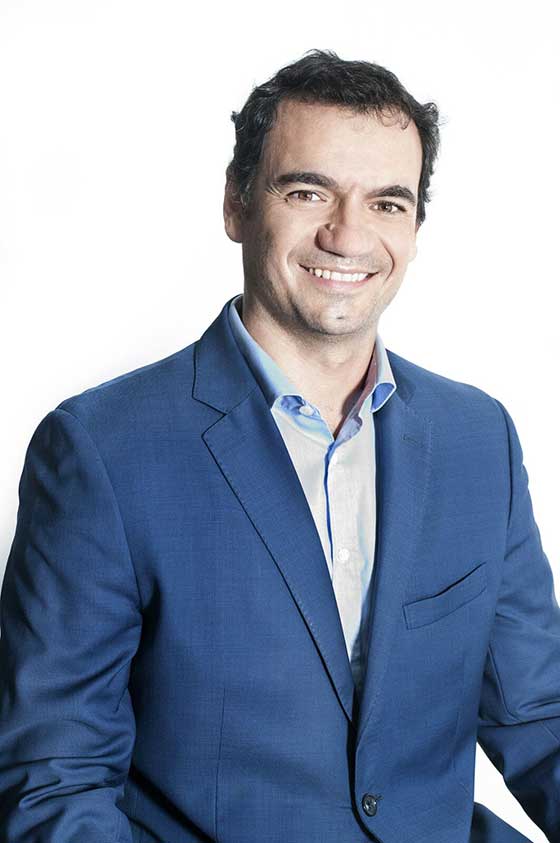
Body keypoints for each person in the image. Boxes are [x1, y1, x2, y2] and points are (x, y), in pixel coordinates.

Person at [0, 48, 558, 843]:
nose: (347, 234)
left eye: (387, 202)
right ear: (236, 204)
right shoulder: (101, 452)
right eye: (308, 191)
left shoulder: (479, 439)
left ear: (415, 229)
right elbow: (55, 782)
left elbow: (540, 714)